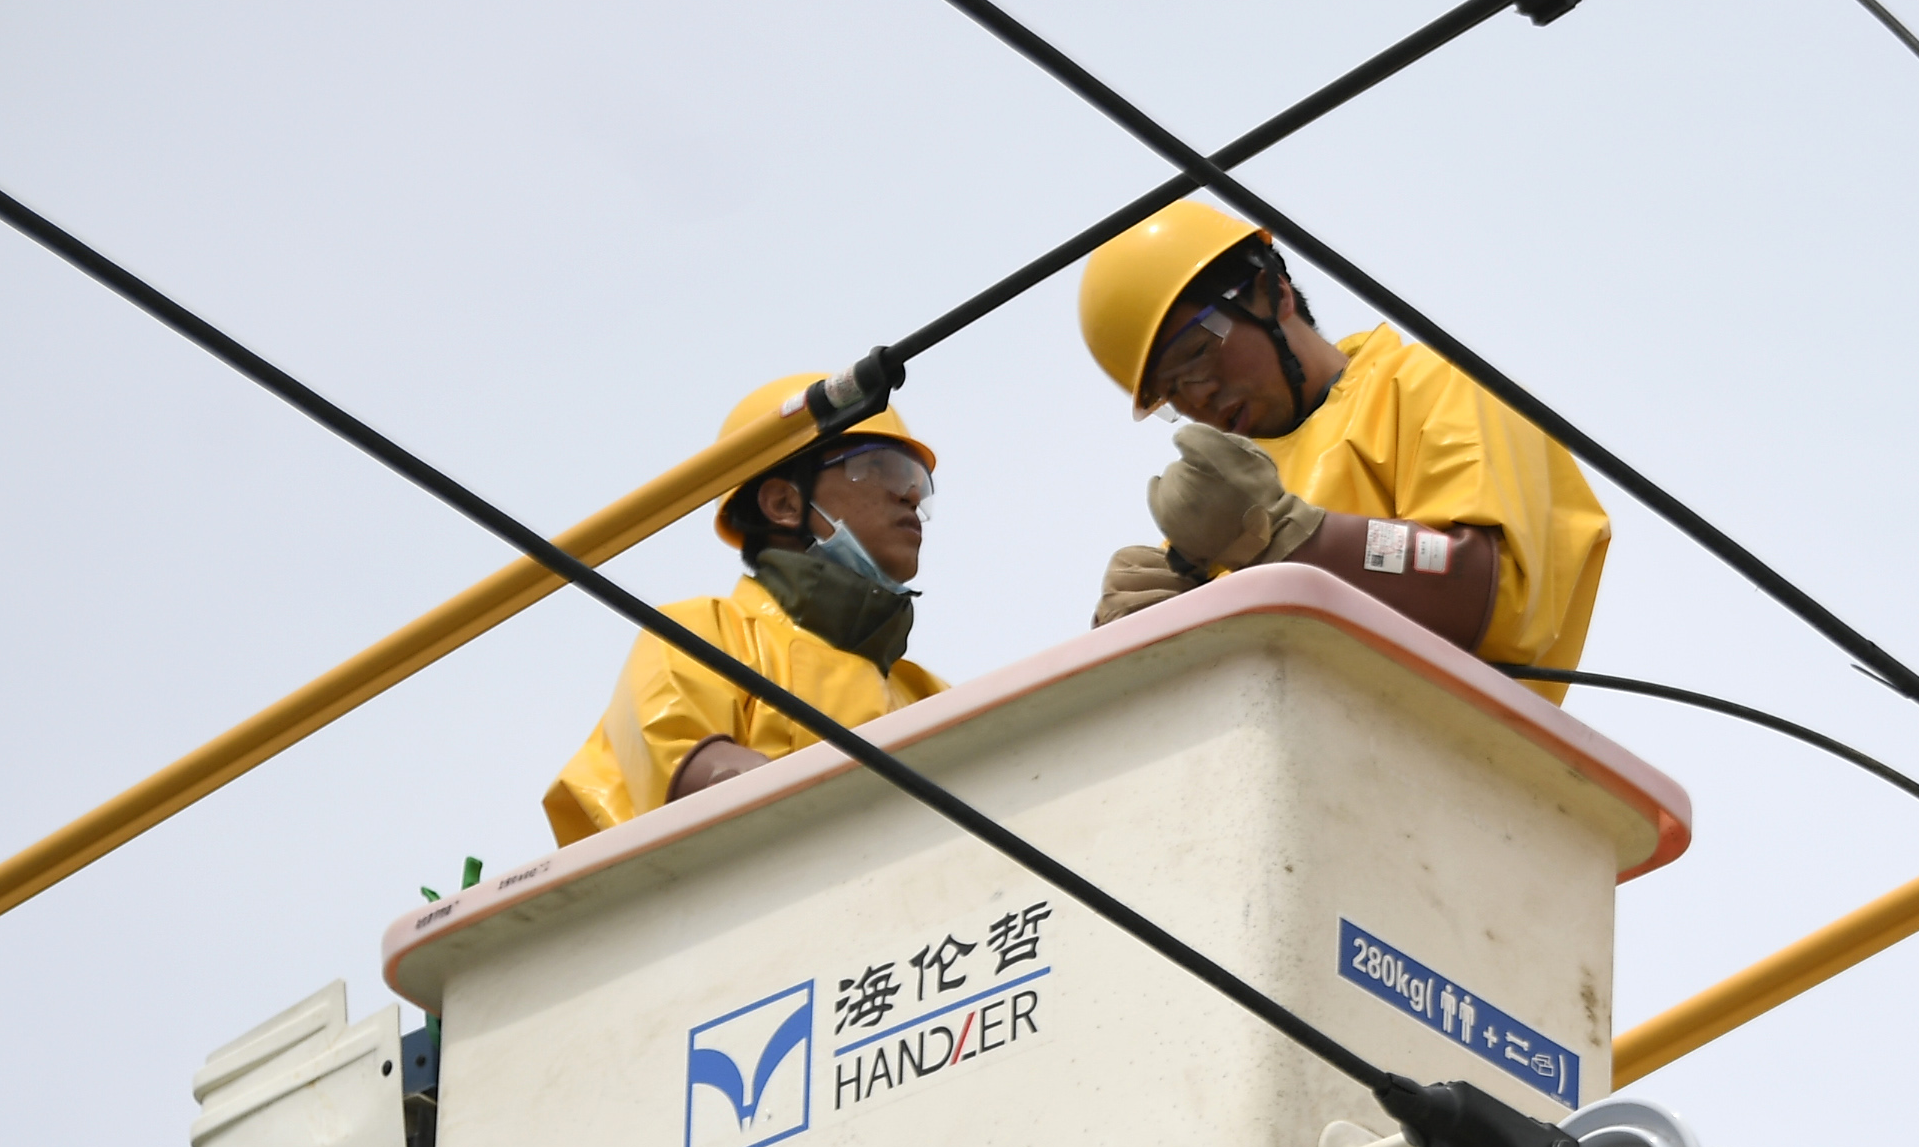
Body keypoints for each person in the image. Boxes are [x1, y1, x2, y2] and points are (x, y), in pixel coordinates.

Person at [1078, 199, 1607, 684]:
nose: (1197, 396)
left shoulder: (1429, 384)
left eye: (1197, 351)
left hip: (1453, 757)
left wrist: (1291, 540)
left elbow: (1488, 599)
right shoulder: (1225, 506)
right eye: (1169, 394)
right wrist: (1132, 642)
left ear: (1271, 292)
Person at [542, 375, 947, 843]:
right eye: (880, 468)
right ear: (782, 502)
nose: (911, 496)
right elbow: (700, 779)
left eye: (918, 481)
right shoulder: (703, 635)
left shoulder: (925, 692)